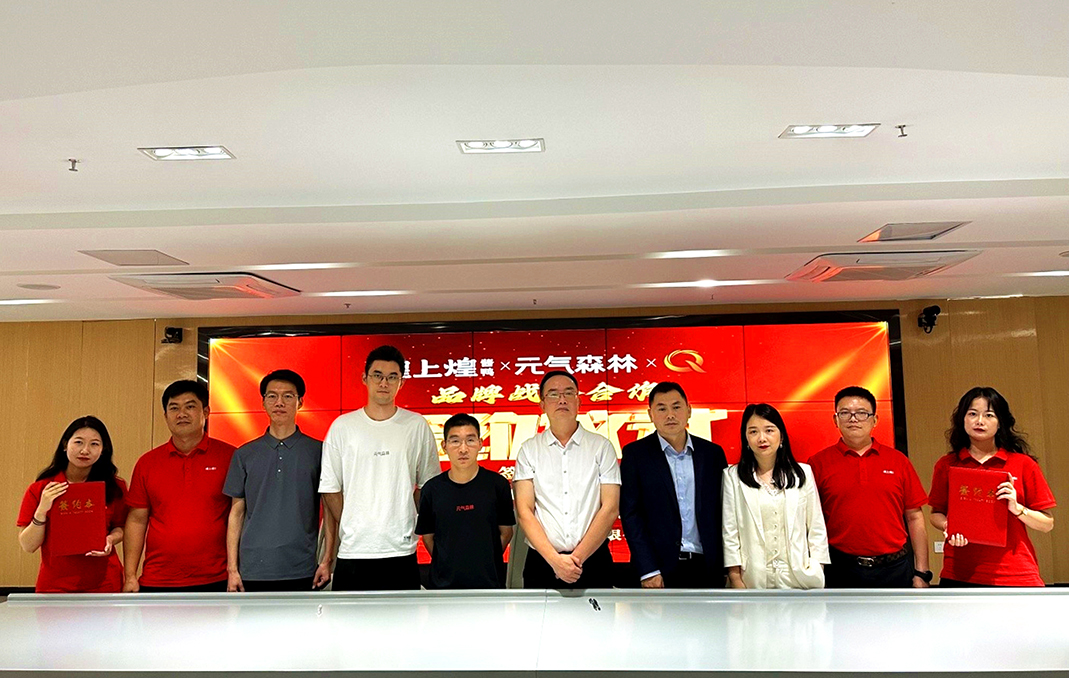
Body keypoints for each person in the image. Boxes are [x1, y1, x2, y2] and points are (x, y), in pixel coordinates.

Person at [319, 345, 441, 591]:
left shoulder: (416, 425)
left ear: (401, 383)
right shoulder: (343, 426)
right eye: (377, 375)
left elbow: (428, 486)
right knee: (348, 616)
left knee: (402, 615)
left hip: (401, 548)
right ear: (364, 378)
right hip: (353, 550)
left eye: (392, 377)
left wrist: (406, 516)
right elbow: (330, 488)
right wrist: (353, 521)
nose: (384, 383)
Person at [223, 369, 338, 592]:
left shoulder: (319, 451)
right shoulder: (244, 454)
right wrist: (232, 569)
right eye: (272, 396)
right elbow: (236, 513)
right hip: (253, 568)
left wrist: (327, 560)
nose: (279, 402)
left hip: (303, 567)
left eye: (288, 396)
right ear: (263, 402)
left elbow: (329, 510)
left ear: (300, 402)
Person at [929, 386, 1056, 587]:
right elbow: (936, 513)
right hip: (960, 572)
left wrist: (1017, 508)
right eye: (972, 414)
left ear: (1000, 423)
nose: (979, 421)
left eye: (989, 415)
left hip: (1014, 573)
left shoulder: (1024, 464)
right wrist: (948, 526)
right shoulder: (947, 465)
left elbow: (1047, 524)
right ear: (962, 419)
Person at [809, 386, 931, 588]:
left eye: (861, 413)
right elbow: (809, 523)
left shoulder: (898, 461)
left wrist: (922, 572)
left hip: (895, 568)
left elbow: (915, 517)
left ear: (874, 420)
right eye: (845, 413)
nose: (853, 419)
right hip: (840, 568)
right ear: (835, 420)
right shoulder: (817, 464)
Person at [123, 380, 236, 592]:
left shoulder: (231, 457)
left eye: (190, 406)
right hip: (158, 579)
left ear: (206, 412)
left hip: (217, 577)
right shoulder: (147, 463)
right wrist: (130, 575)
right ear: (166, 415)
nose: (181, 414)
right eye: (174, 408)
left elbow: (240, 516)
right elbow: (137, 520)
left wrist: (235, 570)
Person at [514, 370, 621, 589]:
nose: (562, 400)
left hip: (593, 560)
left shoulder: (601, 447)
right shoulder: (529, 450)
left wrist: (576, 560)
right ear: (542, 404)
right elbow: (524, 511)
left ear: (578, 401)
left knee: (598, 613)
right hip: (542, 561)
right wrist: (555, 561)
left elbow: (610, 508)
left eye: (569, 393)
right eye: (553, 394)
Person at [620, 381, 727, 588]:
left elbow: (724, 513)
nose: (670, 415)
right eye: (662, 409)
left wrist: (728, 568)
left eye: (676, 407)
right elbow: (631, 515)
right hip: (658, 570)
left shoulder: (712, 454)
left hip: (707, 567)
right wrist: (648, 569)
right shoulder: (635, 455)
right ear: (650, 414)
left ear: (689, 411)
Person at [722, 403, 829, 589]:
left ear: (781, 436)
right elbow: (730, 532)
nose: (762, 438)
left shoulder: (802, 473)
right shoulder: (733, 476)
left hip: (799, 577)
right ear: (746, 438)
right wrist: (735, 578)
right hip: (753, 578)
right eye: (753, 432)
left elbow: (816, 527)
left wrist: (817, 568)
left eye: (769, 430)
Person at [17, 416, 127, 592]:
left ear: (103, 450)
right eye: (78, 442)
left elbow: (120, 527)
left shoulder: (114, 487)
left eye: (94, 444)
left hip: (104, 582)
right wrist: (42, 510)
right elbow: (28, 546)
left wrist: (110, 539)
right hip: (55, 585)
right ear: (65, 445)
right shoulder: (41, 489)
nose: (85, 450)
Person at [415, 413, 515, 588]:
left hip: (489, 583)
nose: (463, 449)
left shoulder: (498, 485)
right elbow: (428, 538)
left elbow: (506, 533)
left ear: (480, 444)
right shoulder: (432, 489)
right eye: (455, 441)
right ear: (444, 446)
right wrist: (449, 562)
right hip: (444, 585)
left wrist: (485, 559)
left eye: (470, 440)